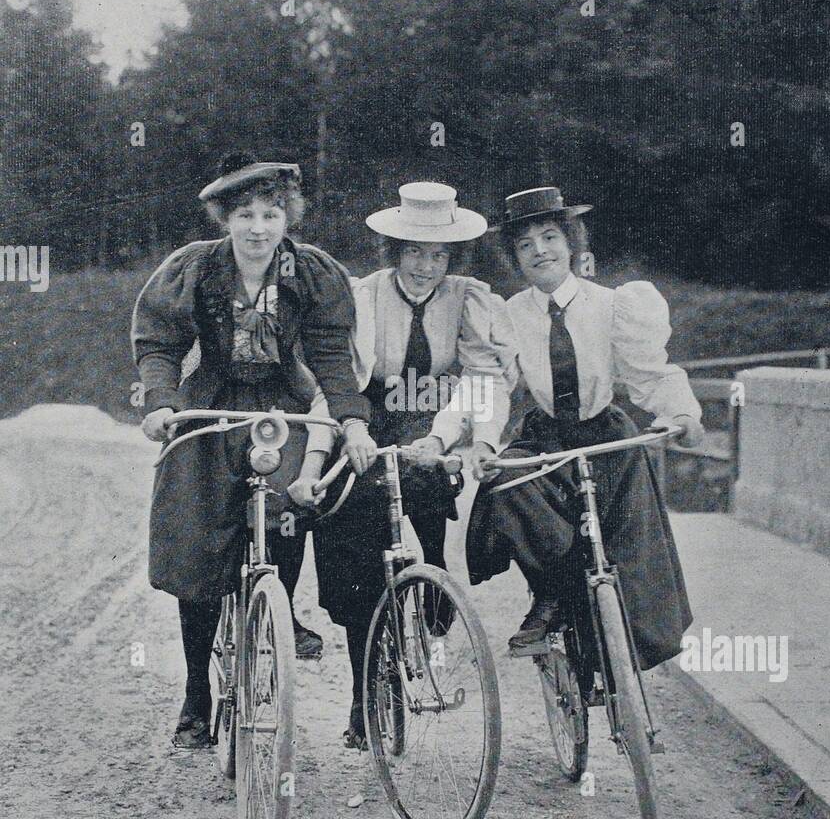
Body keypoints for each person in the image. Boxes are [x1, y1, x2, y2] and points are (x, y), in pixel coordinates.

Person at [132, 152, 375, 749]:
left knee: (290, 499)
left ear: (287, 217)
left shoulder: (312, 273)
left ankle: (278, 605)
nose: (259, 228)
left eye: (272, 213)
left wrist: (352, 420)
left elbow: (330, 356)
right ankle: (196, 695)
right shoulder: (193, 269)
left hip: (280, 404)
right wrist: (162, 403)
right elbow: (159, 342)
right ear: (225, 219)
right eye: (245, 215)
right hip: (213, 402)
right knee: (194, 528)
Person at [289, 181, 512, 749]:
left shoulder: (469, 297)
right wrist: (324, 453)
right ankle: (369, 693)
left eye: (438, 253)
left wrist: (468, 440)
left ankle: (431, 581)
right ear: (394, 251)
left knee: (428, 504)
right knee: (353, 550)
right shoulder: (362, 297)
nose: (426, 266)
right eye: (414, 251)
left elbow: (482, 380)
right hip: (367, 415)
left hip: (434, 417)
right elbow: (341, 384)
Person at [466, 185, 705, 671]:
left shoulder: (614, 305)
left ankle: (622, 666)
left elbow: (647, 372)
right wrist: (482, 441)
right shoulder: (507, 315)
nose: (540, 252)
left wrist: (682, 413)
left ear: (571, 244)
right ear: (515, 258)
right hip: (546, 434)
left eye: (549, 237)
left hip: (605, 434)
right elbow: (490, 384)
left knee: (626, 547)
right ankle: (549, 598)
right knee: (508, 480)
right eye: (525, 246)